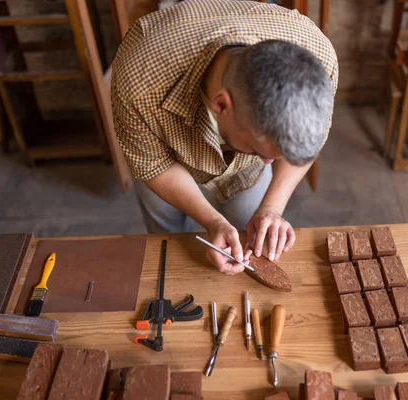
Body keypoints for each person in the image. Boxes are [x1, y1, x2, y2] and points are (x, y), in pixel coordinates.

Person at [111, 0, 338, 275]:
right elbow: (155, 166)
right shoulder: (138, 78)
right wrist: (211, 220)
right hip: (167, 155)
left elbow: (302, 148)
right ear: (221, 105)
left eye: (278, 155)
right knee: (169, 240)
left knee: (254, 236)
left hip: (243, 171)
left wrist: (272, 208)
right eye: (258, 150)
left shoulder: (318, 60)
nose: (269, 163)